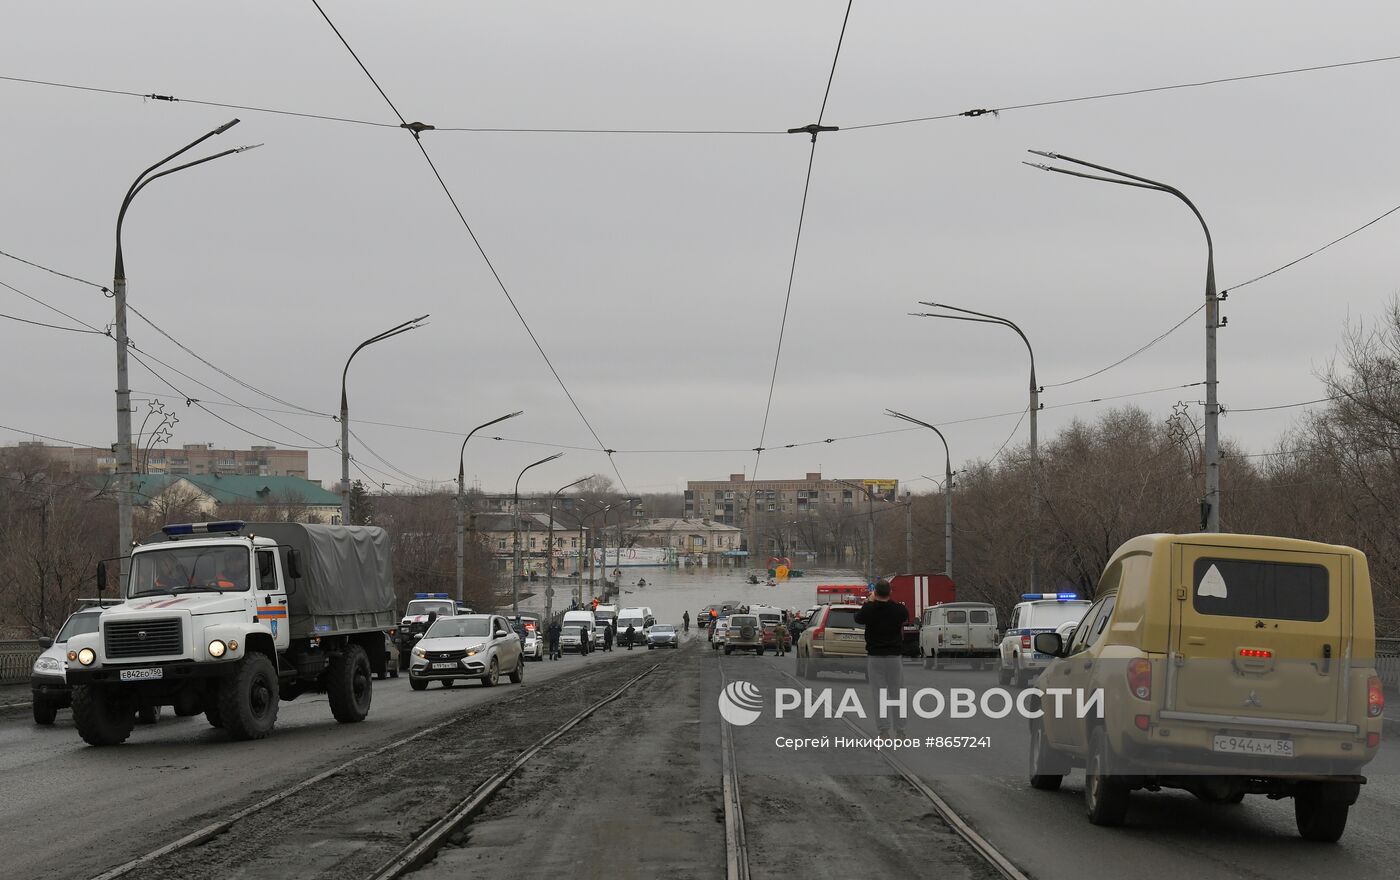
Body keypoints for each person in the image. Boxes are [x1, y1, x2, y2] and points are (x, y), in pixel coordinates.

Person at [854, 579, 909, 738]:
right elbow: (904, 615)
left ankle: (884, 730)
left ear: (875, 593)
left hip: (875, 657)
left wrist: (870, 601)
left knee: (879, 695)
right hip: (894, 657)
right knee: (897, 694)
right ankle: (900, 730)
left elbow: (858, 618)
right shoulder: (899, 610)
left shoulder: (869, 609)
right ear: (890, 592)